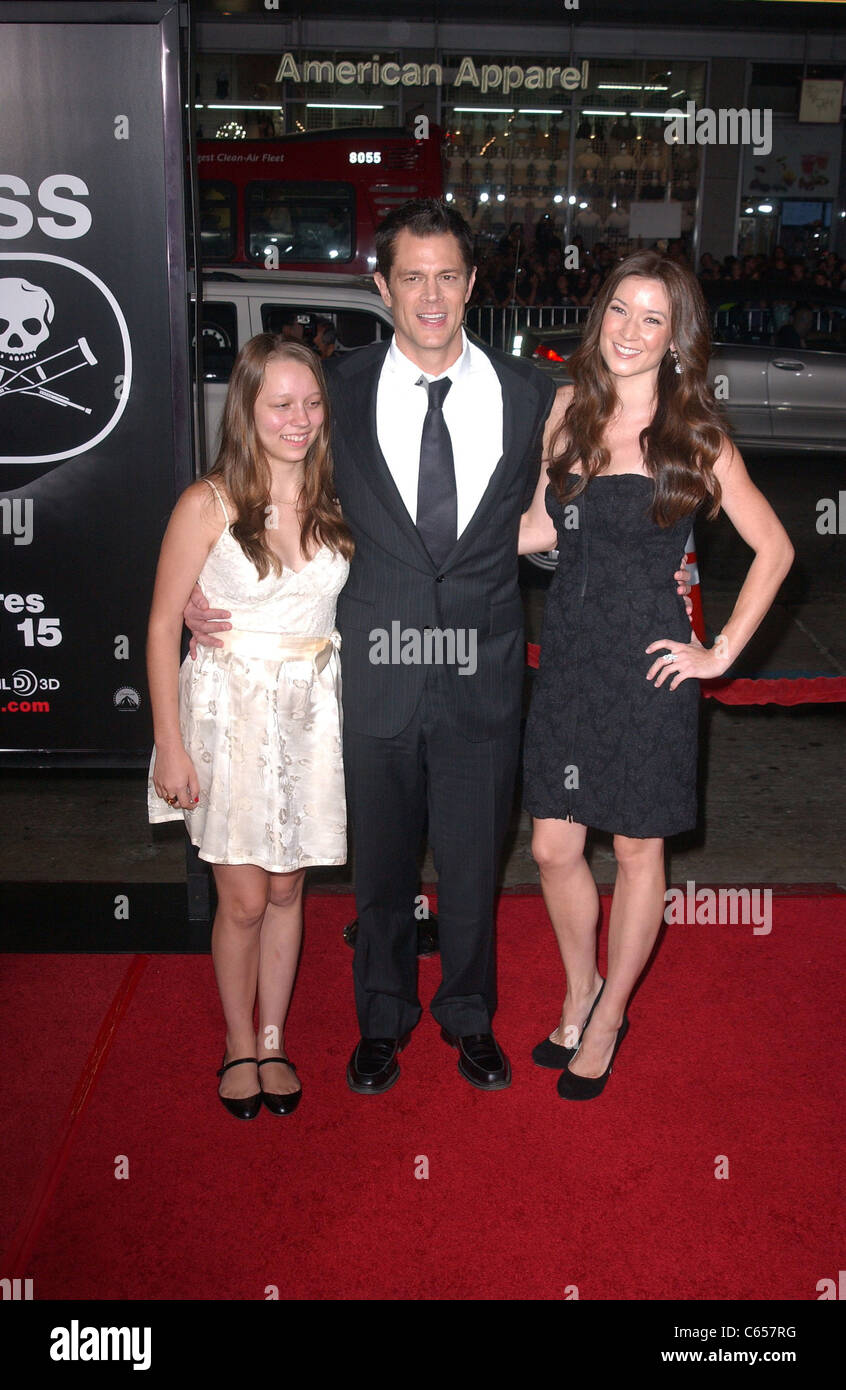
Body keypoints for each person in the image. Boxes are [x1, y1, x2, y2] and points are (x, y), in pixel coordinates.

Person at [185, 201, 692, 1098]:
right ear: (383, 286)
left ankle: (468, 1017)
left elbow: (629, 469)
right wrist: (200, 579)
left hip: (485, 672)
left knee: (472, 868)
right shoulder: (334, 386)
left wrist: (681, 581)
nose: (431, 293)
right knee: (379, 873)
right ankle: (380, 1021)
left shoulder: (535, 391)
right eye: (411, 276)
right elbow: (256, 470)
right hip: (371, 671)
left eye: (448, 275)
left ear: (470, 284)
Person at [518, 249, 794, 1100]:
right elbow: (533, 531)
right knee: (553, 844)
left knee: (638, 848)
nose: (631, 332)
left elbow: (776, 549)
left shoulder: (694, 435)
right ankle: (579, 987)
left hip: (650, 670)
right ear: (598, 317)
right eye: (619, 312)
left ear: (677, 339)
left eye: (653, 319)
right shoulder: (565, 408)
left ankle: (608, 1017)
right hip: (568, 659)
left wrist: (717, 655)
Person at [147, 337, 352, 1119]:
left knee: (290, 887)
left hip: (309, 717)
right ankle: (238, 1043)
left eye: (309, 403)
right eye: (279, 405)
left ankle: (273, 1038)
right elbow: (165, 622)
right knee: (241, 899)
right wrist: (170, 742)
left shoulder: (338, 497)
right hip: (226, 716)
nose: (297, 420)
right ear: (248, 410)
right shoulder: (208, 502)